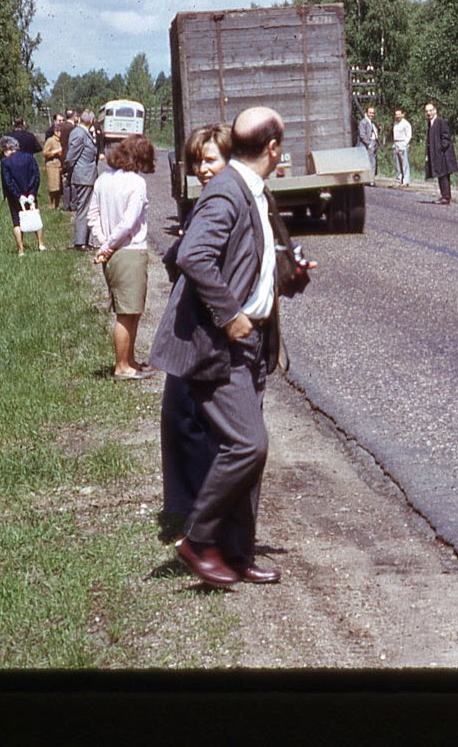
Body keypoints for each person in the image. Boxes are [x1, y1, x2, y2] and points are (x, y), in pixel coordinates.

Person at [149, 106, 287, 587]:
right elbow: (192, 256)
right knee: (248, 443)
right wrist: (229, 315)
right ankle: (198, 539)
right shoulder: (227, 191)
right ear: (273, 149)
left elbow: (254, 264)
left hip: (253, 342)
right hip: (220, 345)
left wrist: (288, 281)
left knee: (249, 451)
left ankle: (238, 553)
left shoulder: (253, 191)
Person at [158, 123, 233, 542]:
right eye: (198, 161)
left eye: (211, 160)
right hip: (195, 323)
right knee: (182, 415)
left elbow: (192, 260)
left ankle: (202, 516)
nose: (203, 169)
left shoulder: (222, 202)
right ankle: (193, 509)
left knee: (192, 416)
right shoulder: (210, 200)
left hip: (205, 327)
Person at [89, 135, 155, 380]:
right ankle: (122, 367)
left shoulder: (103, 179)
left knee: (132, 309)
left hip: (113, 253)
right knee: (127, 313)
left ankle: (130, 359)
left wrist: (103, 243)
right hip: (129, 251)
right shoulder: (136, 183)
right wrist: (108, 245)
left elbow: (92, 216)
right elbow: (129, 222)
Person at [0, 136, 43, 255]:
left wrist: (18, 196)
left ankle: (21, 250)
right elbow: (36, 176)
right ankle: (40, 243)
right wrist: (32, 193)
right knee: (35, 215)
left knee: (17, 222)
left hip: (15, 196)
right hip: (30, 193)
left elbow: (8, 181)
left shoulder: (5, 162)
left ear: (8, 149)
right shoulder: (29, 157)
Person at [65, 109, 99, 248]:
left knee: (89, 209)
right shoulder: (79, 133)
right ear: (91, 121)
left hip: (87, 176)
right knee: (84, 208)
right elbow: (71, 157)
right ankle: (80, 242)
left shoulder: (83, 132)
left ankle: (87, 241)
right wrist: (69, 172)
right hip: (83, 177)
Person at [425, 101, 457, 204]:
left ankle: (446, 197)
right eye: (427, 111)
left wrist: (439, 149)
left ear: (435, 110)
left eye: (430, 110)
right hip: (437, 154)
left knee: (444, 175)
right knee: (440, 174)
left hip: (444, 155)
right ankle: (444, 196)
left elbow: (446, 137)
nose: (428, 113)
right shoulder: (431, 122)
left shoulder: (440, 121)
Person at [42, 125, 64, 210]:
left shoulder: (61, 141)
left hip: (59, 165)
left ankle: (57, 205)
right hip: (51, 166)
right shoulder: (50, 140)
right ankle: (50, 205)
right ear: (56, 132)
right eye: (60, 132)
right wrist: (54, 152)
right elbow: (44, 153)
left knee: (58, 187)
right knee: (52, 187)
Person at [357, 105, 380, 183]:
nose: (372, 114)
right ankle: (370, 181)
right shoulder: (363, 122)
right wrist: (369, 144)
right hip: (366, 146)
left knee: (372, 163)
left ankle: (369, 179)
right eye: (370, 113)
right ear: (366, 113)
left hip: (373, 144)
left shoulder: (372, 122)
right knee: (371, 163)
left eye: (373, 113)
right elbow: (362, 135)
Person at [391, 108, 413, 187]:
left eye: (399, 114)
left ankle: (406, 181)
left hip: (403, 144)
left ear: (402, 115)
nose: (397, 116)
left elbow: (409, 135)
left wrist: (404, 145)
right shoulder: (395, 123)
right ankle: (398, 180)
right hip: (396, 143)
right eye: (396, 114)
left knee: (404, 163)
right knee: (397, 164)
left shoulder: (406, 124)